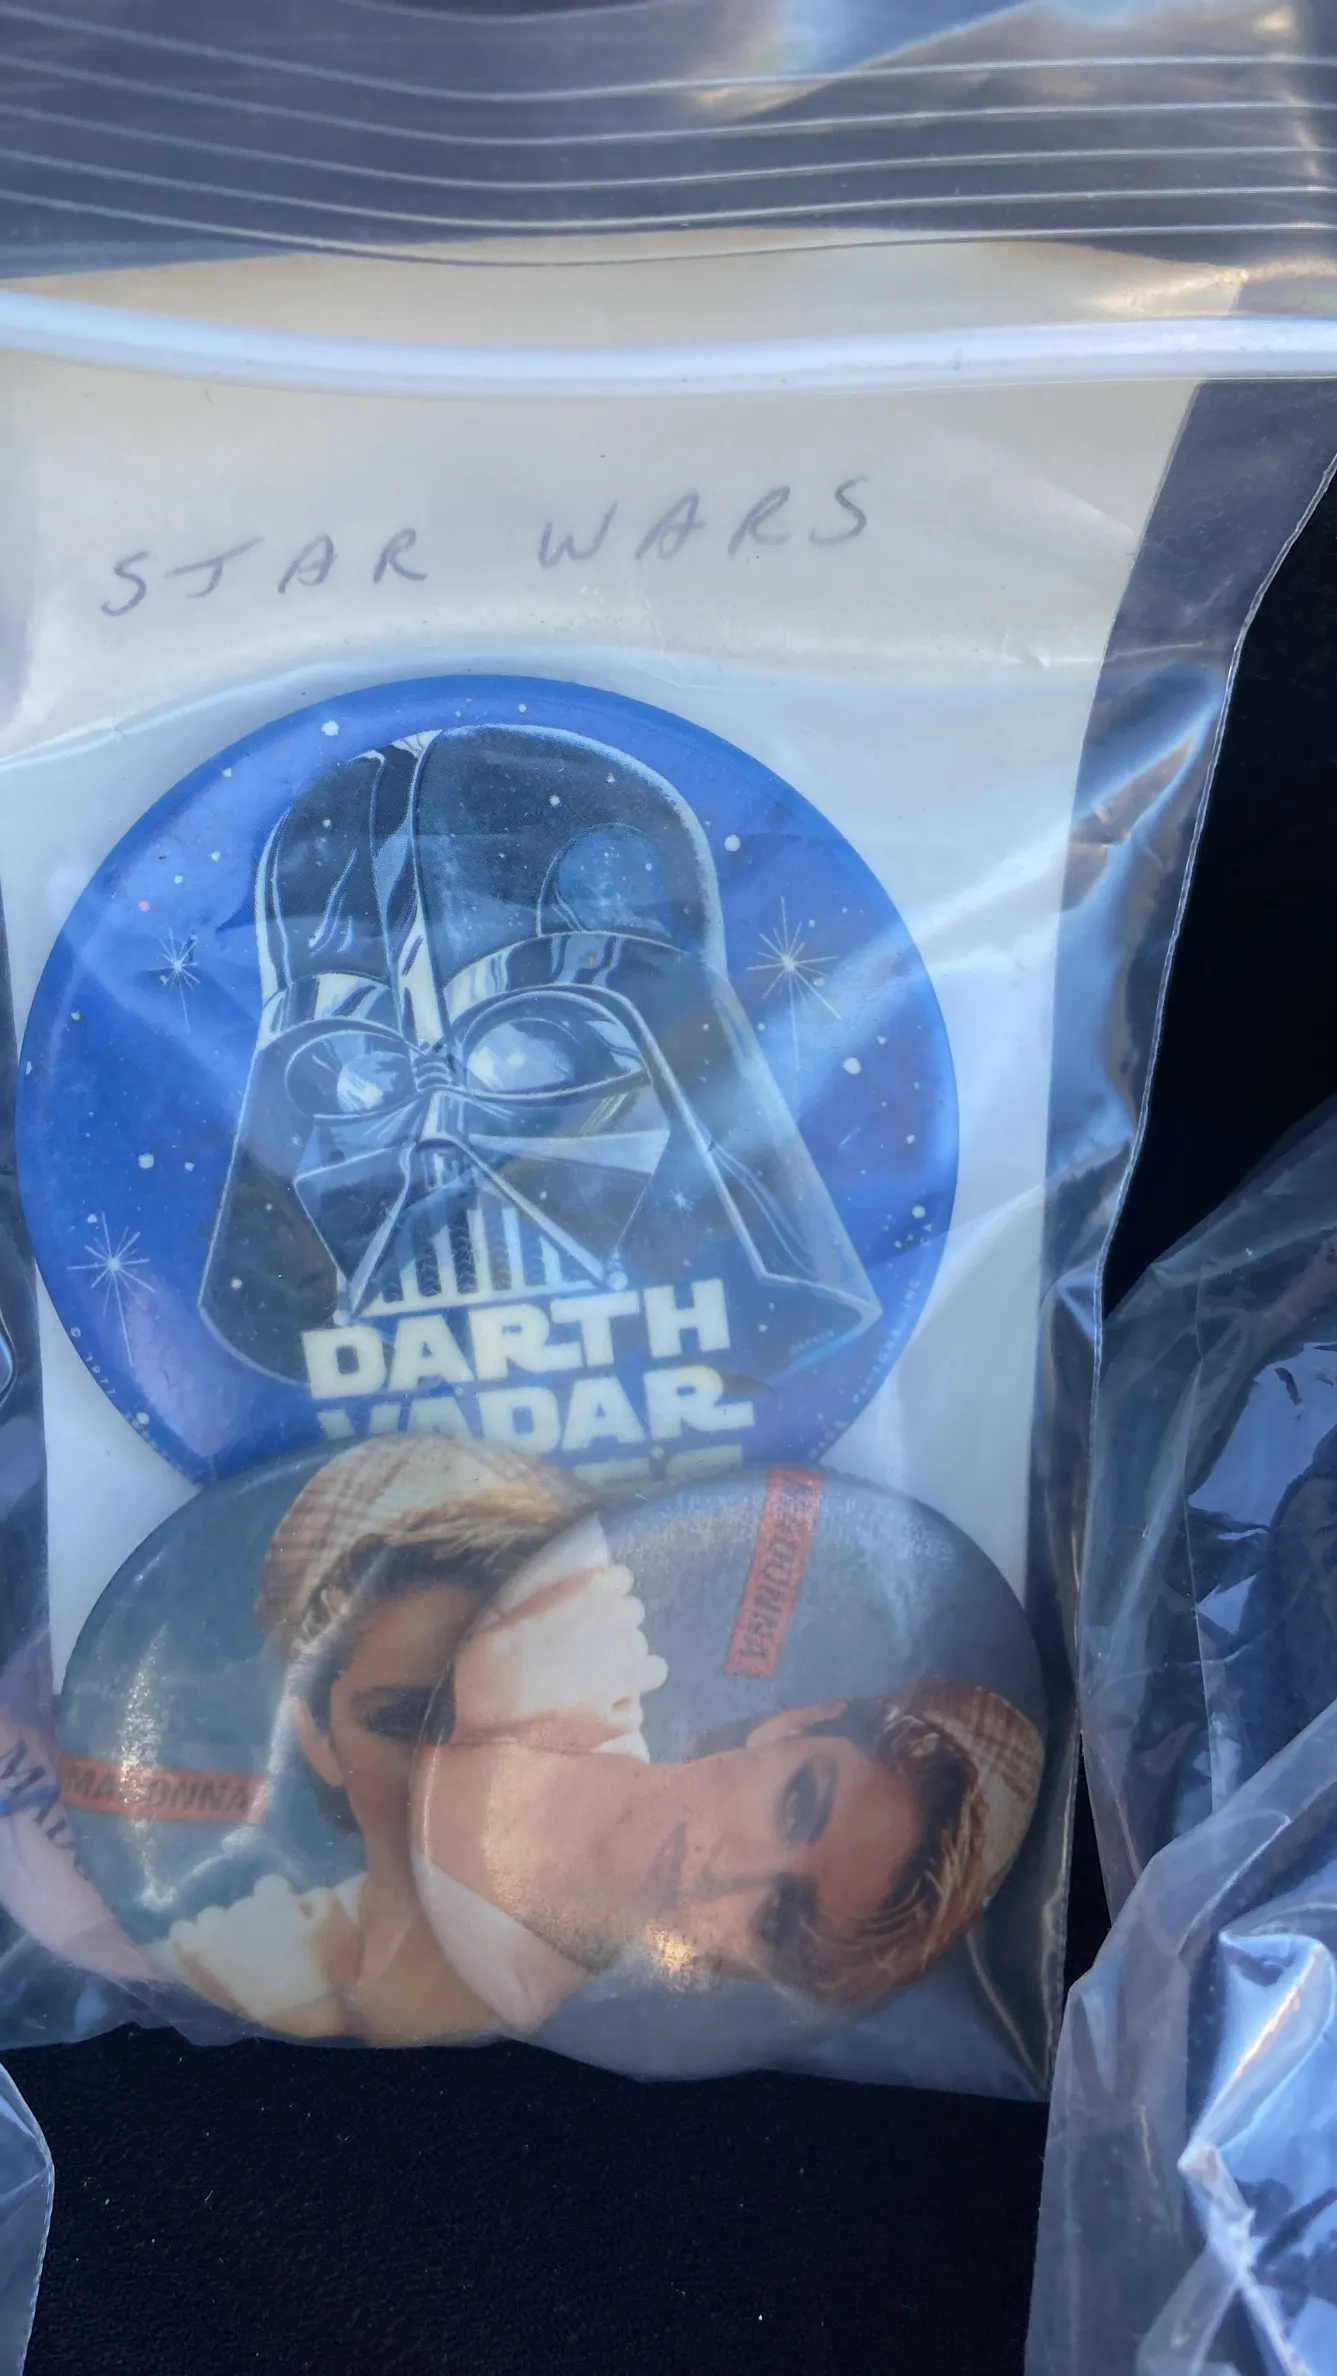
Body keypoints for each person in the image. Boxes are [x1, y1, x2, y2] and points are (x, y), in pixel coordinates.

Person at [411, 1519, 1045, 2035]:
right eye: (797, 1806)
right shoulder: (575, 1608)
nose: (732, 1873)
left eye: (779, 1924)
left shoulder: (496, 1991)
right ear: (794, 1724)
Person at [156, 1439, 595, 2044]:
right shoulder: (238, 1967)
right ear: (316, 1735)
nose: (473, 1771)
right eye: (406, 1720)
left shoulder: (669, 1944)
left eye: (525, 1714)